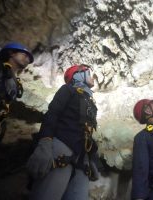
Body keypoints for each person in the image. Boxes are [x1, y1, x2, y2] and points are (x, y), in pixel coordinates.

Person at [27, 64, 99, 200]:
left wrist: (92, 159)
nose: (92, 77)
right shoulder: (68, 90)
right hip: (62, 148)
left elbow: (87, 133)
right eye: (88, 73)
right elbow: (52, 114)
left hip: (81, 157)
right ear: (78, 75)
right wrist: (45, 142)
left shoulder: (90, 103)